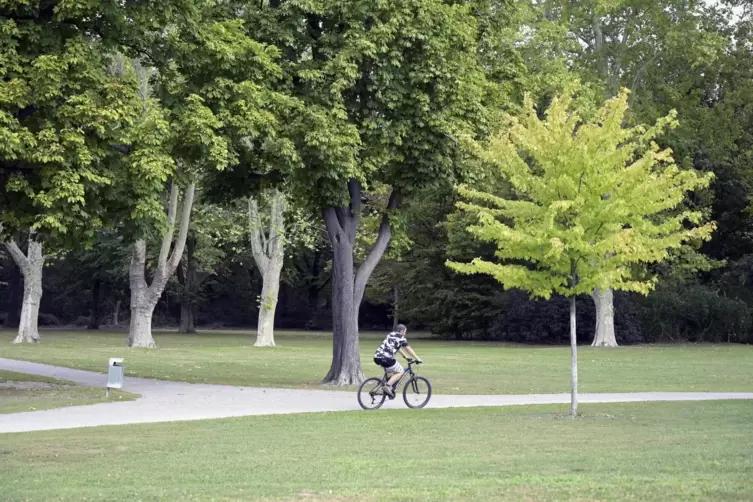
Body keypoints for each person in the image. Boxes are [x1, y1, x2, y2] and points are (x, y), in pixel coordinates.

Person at [373, 324, 422, 398]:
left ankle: (387, 389)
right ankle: (387, 386)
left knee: (391, 371)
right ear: (402, 331)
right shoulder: (401, 338)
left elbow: (397, 347)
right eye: (405, 332)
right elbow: (408, 349)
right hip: (387, 358)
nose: (405, 333)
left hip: (377, 357)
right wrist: (417, 358)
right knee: (400, 371)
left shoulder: (391, 334)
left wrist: (405, 356)